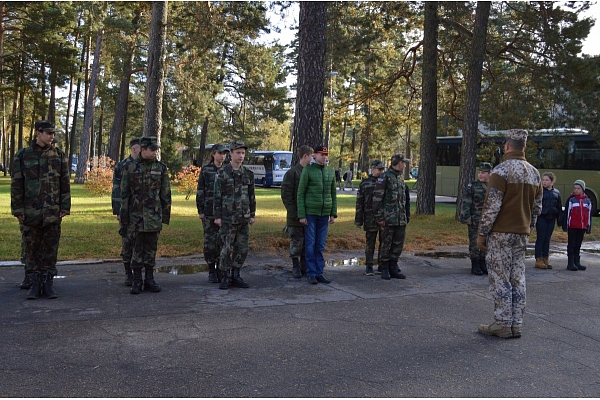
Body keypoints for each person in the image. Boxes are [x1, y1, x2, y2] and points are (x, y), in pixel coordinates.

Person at [477, 129, 542, 339]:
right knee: (518, 278)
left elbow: (492, 207)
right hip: (521, 234)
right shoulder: (535, 173)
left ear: (507, 146)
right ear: (524, 146)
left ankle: (502, 323)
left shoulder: (501, 171)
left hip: (500, 234)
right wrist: (528, 229)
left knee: (500, 277)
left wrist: (481, 234)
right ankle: (516, 324)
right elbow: (537, 208)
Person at [11, 120, 71, 299]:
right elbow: (16, 184)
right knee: (32, 249)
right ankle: (35, 284)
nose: (52, 137)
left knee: (50, 249)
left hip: (52, 212)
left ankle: (48, 283)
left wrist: (64, 207)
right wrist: (18, 209)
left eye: (53, 133)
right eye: (48, 133)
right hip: (31, 212)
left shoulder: (59, 155)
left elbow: (64, 184)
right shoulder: (23, 156)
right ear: (38, 133)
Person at [120, 136, 171, 295]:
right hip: (135, 216)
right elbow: (124, 193)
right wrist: (124, 216)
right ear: (143, 150)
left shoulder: (160, 168)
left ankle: (149, 279)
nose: (155, 152)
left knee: (151, 249)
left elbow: (165, 194)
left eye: (156, 149)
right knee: (136, 248)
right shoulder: (129, 167)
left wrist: (165, 216)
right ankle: (136, 280)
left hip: (153, 216)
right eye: (152, 150)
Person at [214, 140, 256, 290]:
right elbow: (217, 196)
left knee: (242, 248)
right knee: (226, 248)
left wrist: (252, 214)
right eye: (238, 153)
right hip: (227, 218)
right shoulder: (223, 173)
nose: (241, 156)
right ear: (230, 153)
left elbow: (252, 196)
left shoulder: (248, 174)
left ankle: (236, 274)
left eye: (243, 153)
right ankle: (225, 276)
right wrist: (217, 216)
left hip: (243, 217)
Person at [297, 145, 337, 285]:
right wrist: (302, 214)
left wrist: (333, 213)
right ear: (314, 155)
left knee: (320, 245)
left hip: (324, 214)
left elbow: (333, 193)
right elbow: (301, 193)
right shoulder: (308, 171)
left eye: (326, 155)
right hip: (311, 213)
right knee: (310, 244)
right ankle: (311, 272)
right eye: (322, 154)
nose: (324, 157)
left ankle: (319, 272)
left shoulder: (330, 172)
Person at [372, 153, 411, 280]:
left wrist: (406, 215)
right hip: (388, 219)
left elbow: (404, 199)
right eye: (403, 163)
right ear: (398, 163)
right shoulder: (385, 177)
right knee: (386, 244)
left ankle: (393, 266)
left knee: (398, 244)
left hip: (400, 218)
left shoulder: (400, 178)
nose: (405, 165)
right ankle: (384, 267)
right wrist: (379, 218)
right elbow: (377, 199)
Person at [196, 143, 229, 283]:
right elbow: (200, 191)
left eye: (224, 154)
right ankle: (211, 269)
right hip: (209, 212)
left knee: (223, 242)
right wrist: (201, 211)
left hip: (224, 212)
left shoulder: (228, 170)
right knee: (210, 242)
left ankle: (222, 269)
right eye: (220, 153)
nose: (222, 156)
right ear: (213, 154)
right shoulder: (206, 170)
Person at [280, 145, 313, 278]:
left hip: (309, 214)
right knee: (296, 242)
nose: (313, 158)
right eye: (311, 156)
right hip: (295, 216)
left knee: (307, 242)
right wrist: (294, 214)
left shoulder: (311, 172)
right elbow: (286, 195)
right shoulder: (293, 173)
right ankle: (295, 266)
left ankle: (305, 266)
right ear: (305, 156)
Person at [111, 137, 141, 286]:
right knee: (127, 242)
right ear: (134, 149)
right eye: (142, 148)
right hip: (126, 211)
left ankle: (139, 274)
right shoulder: (122, 165)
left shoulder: (145, 165)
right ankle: (128, 274)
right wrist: (118, 211)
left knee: (141, 243)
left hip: (141, 212)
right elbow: (116, 189)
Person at [459, 162, 492, 276]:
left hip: (488, 220)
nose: (480, 175)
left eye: (483, 173)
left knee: (486, 242)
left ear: (489, 173)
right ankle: (475, 264)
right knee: (474, 242)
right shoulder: (473, 186)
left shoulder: (493, 186)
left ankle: (483, 263)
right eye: (479, 172)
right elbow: (466, 202)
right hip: (475, 219)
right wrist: (466, 217)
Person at [355, 159, 386, 276]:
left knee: (384, 242)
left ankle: (382, 265)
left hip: (383, 217)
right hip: (370, 217)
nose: (381, 171)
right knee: (370, 243)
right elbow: (360, 203)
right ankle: (369, 265)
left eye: (383, 169)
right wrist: (358, 219)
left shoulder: (385, 182)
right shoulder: (365, 183)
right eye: (379, 169)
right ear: (373, 169)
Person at [561, 180, 592, 271]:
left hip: (582, 227)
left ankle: (576, 262)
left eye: (578, 188)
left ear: (583, 189)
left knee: (578, 244)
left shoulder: (587, 201)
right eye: (575, 188)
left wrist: (588, 226)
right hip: (572, 226)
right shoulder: (571, 200)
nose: (576, 190)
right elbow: (567, 213)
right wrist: (565, 225)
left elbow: (589, 215)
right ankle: (570, 263)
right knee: (571, 244)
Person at [534, 172, 562, 269]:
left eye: (547, 180)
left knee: (547, 238)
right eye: (543, 180)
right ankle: (538, 258)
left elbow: (559, 205)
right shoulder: (540, 191)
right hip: (542, 217)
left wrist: (559, 219)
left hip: (551, 218)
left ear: (552, 181)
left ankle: (545, 257)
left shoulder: (556, 193)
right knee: (541, 237)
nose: (544, 182)